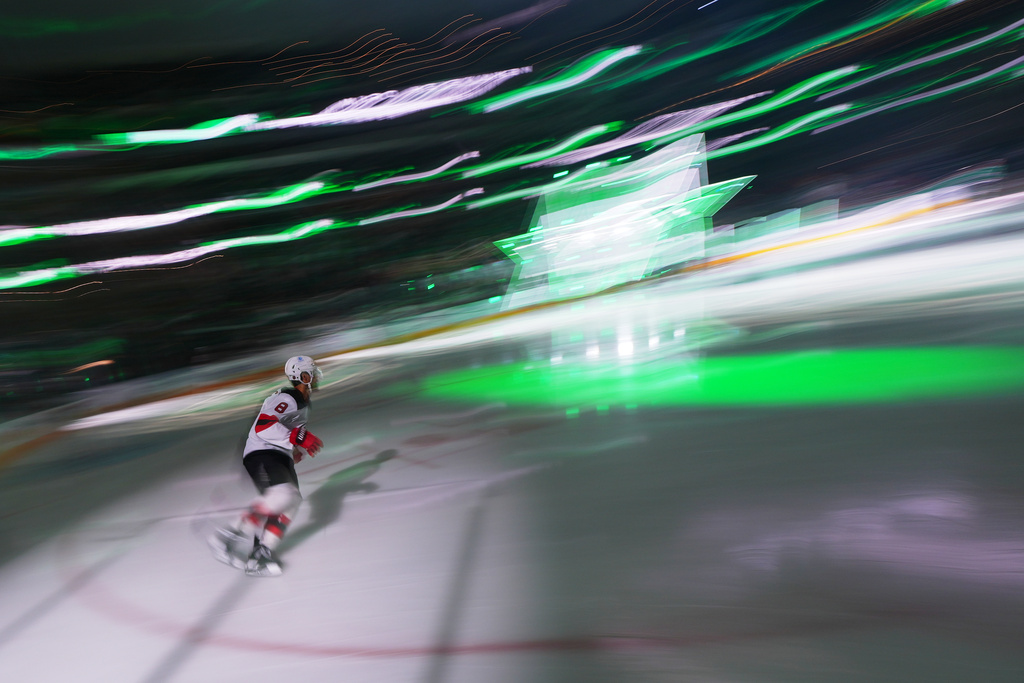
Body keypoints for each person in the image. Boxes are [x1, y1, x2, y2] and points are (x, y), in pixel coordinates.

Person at [209, 355, 325, 577]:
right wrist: (299, 437)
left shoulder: (301, 402)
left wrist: (293, 449)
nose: (317, 376)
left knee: (290, 501)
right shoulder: (288, 397)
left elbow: (286, 429)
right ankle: (223, 538)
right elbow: (264, 425)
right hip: (261, 451)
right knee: (282, 496)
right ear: (303, 376)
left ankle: (261, 554)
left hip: (276, 453)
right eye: (312, 372)